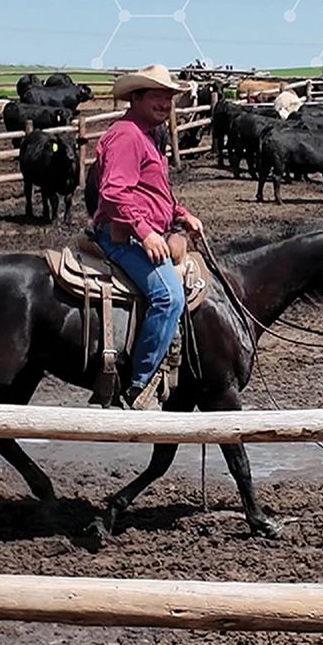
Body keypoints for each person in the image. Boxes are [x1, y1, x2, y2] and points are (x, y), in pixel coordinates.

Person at [93, 64, 204, 411]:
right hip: (121, 236)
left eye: (169, 98)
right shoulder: (127, 135)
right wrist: (145, 231)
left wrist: (180, 213)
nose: (165, 104)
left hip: (143, 230)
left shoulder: (148, 136)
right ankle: (140, 385)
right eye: (158, 96)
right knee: (169, 295)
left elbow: (154, 193)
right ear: (136, 97)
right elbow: (113, 193)